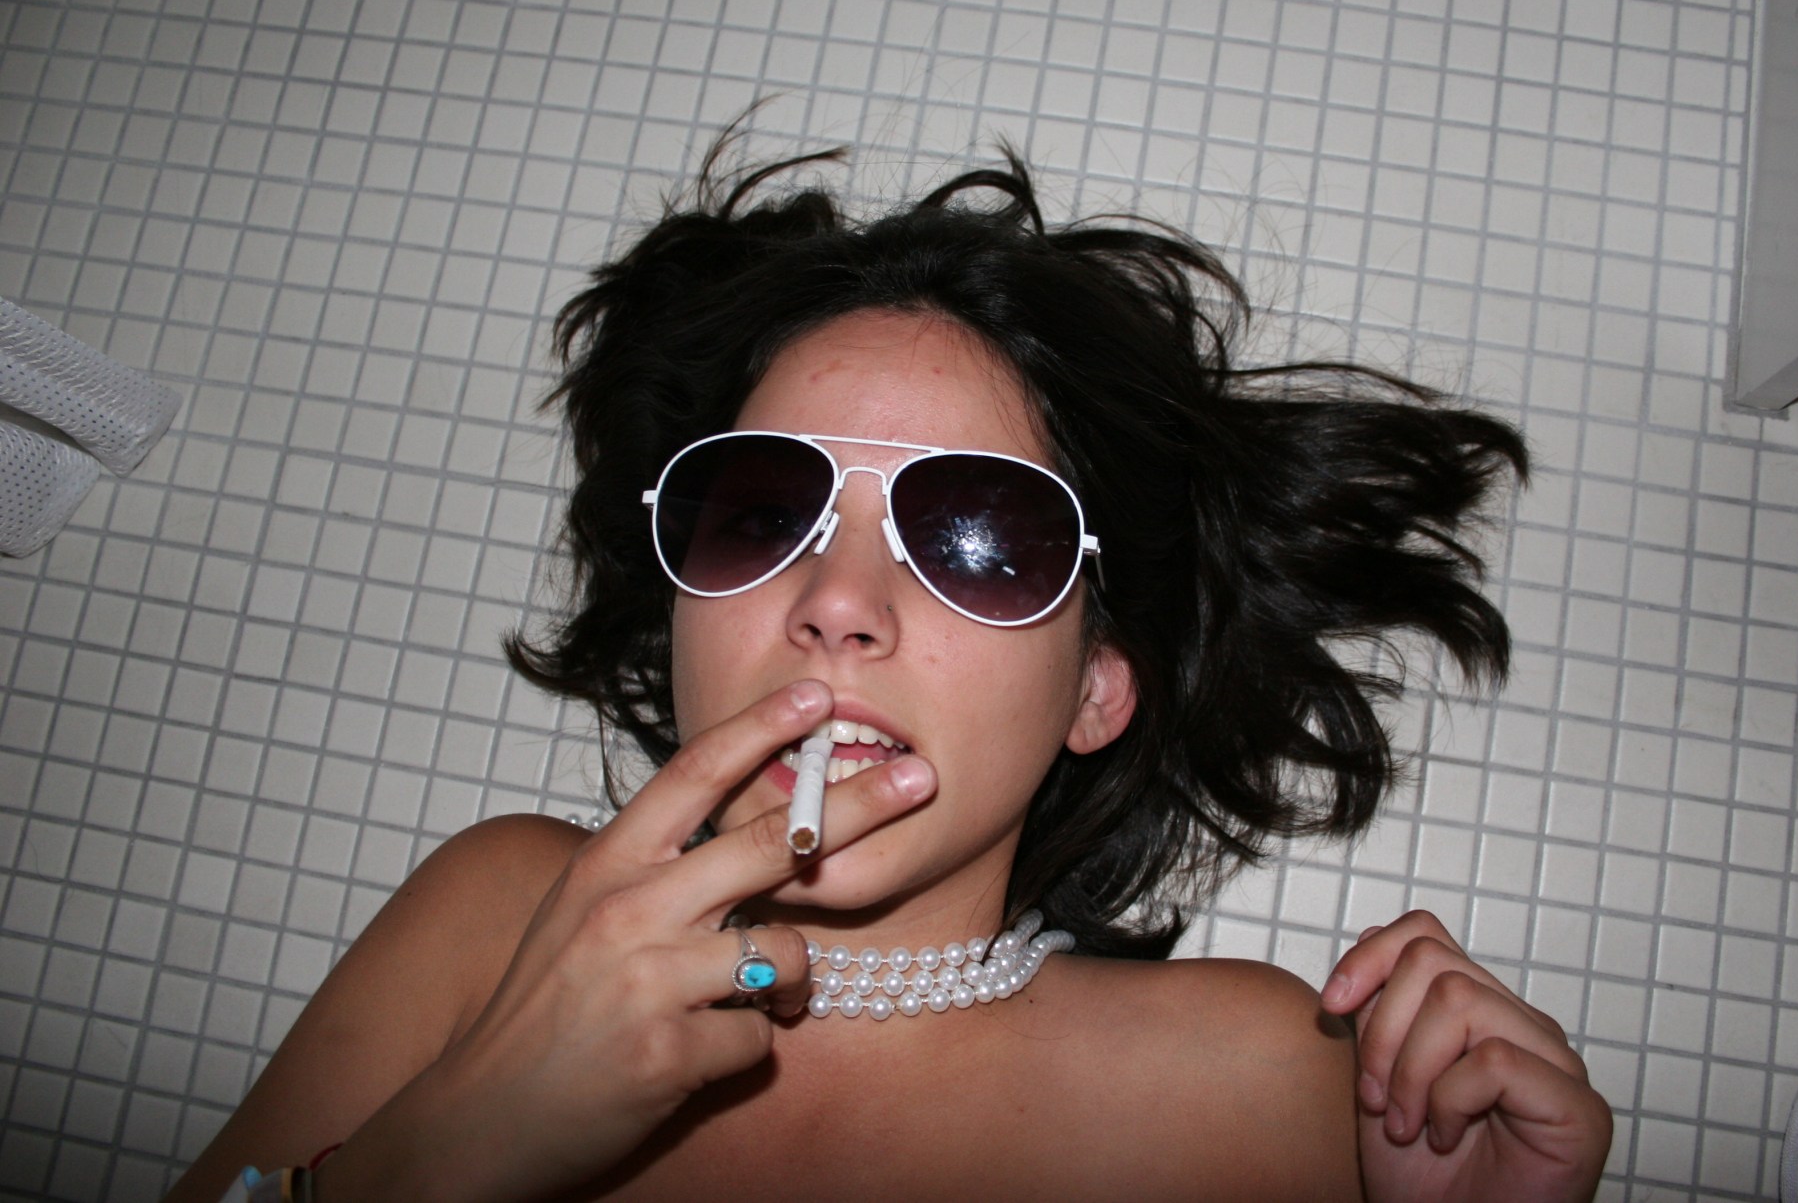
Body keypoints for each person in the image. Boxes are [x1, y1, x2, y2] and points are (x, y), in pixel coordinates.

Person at [166, 141, 1612, 1202]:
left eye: (978, 534)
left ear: (1101, 682)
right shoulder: (494, 925)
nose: (840, 603)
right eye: (759, 509)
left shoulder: (1274, 1081)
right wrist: (437, 1154)